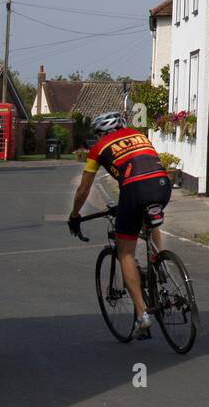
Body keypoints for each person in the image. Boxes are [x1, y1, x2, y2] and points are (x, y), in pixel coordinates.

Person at [68, 111, 172, 339]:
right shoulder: (139, 135)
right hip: (163, 184)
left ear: (100, 133)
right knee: (150, 217)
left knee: (125, 251)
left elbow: (84, 189)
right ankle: (158, 262)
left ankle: (142, 315)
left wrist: (75, 214)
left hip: (134, 190)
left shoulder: (98, 149)